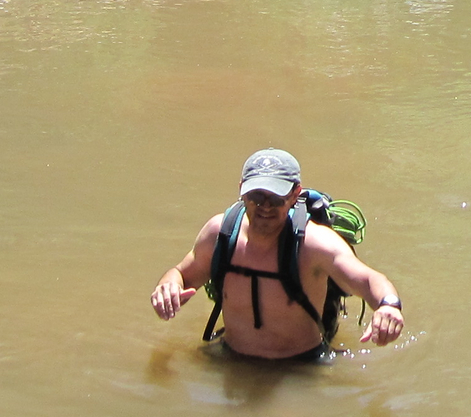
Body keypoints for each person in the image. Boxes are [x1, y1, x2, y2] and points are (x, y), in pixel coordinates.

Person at [150, 148, 405, 361]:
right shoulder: (221, 233)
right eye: (256, 196)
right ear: (242, 191)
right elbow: (181, 274)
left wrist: (388, 306)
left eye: (276, 197)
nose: (265, 206)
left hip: (300, 366)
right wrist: (168, 287)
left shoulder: (314, 244)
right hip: (230, 357)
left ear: (295, 194)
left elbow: (368, 279)